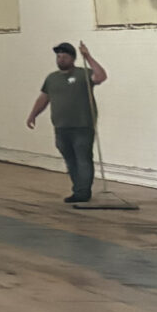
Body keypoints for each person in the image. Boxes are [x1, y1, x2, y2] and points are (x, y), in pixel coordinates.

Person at [25, 40, 108, 203]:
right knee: (70, 160)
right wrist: (33, 114)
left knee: (83, 158)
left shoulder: (82, 74)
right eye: (58, 56)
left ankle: (83, 192)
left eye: (64, 56)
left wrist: (88, 56)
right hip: (61, 127)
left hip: (82, 126)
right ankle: (78, 189)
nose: (60, 59)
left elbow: (101, 76)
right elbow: (44, 98)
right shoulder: (52, 78)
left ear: (73, 58)